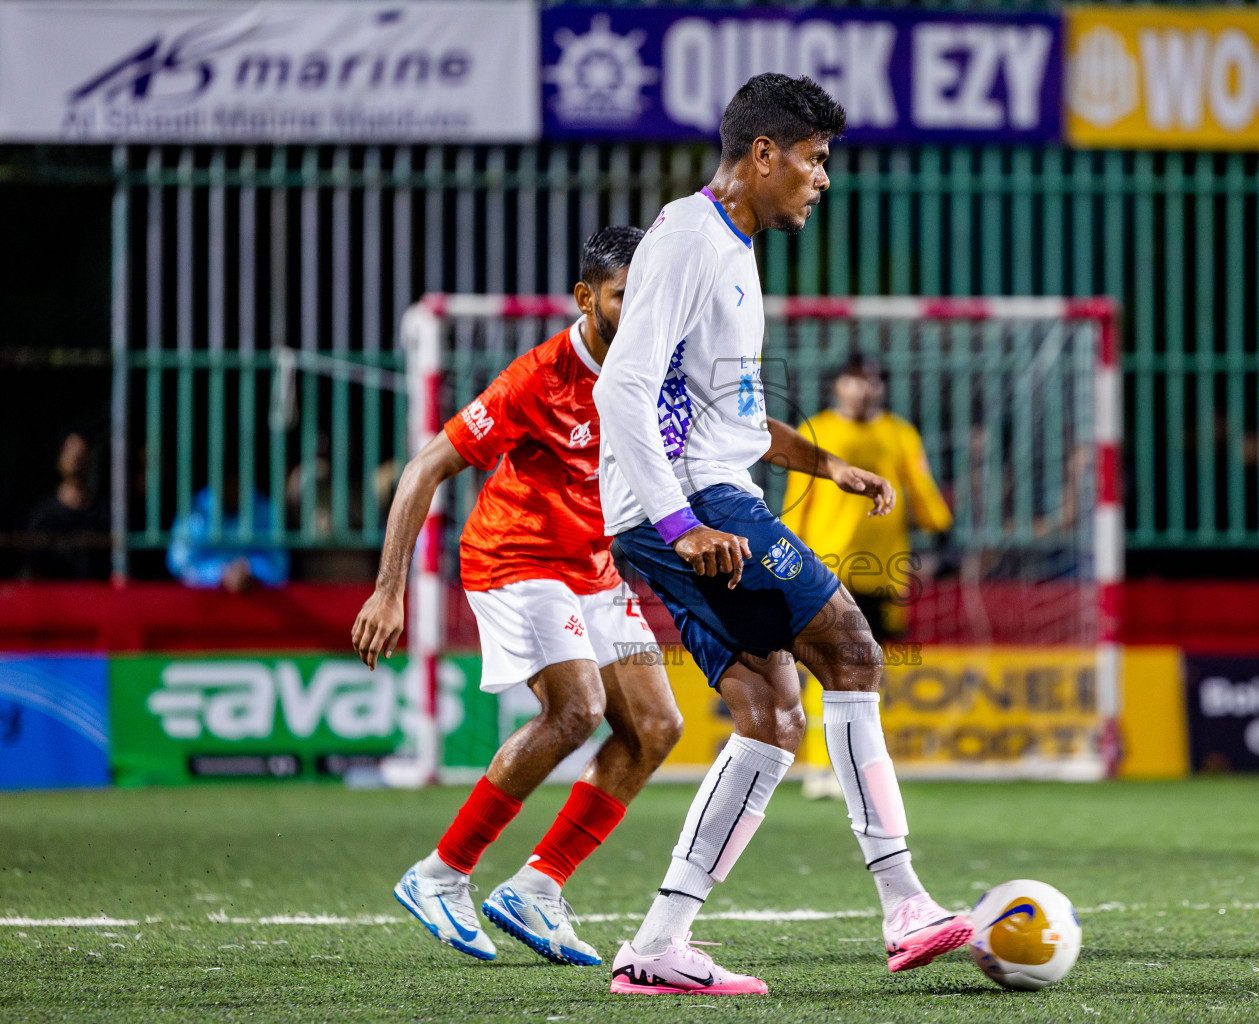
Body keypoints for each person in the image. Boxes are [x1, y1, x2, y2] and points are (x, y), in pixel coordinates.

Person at [592, 73, 972, 997]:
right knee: (854, 651)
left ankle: (658, 945)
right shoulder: (689, 240)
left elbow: (730, 415)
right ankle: (905, 903)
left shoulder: (729, 247)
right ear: (763, 154)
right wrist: (681, 524)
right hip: (694, 507)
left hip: (687, 503)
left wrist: (825, 464)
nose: (823, 177)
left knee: (772, 717)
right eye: (815, 157)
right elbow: (620, 388)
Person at [350, 226, 683, 966]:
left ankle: (538, 886)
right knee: (577, 710)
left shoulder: (658, 367)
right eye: (626, 295)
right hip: (515, 557)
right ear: (586, 297)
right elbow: (425, 467)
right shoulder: (537, 378)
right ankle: (441, 874)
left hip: (593, 567)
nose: (643, 310)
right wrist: (389, 590)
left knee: (656, 727)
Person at [781, 355, 952, 800]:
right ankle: (821, 768)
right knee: (828, 667)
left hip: (883, 571)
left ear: (881, 388)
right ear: (838, 385)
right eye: (854, 381)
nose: (862, 390)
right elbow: (798, 499)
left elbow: (921, 489)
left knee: (867, 672)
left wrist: (940, 526)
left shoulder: (900, 433)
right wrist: (786, 557)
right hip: (825, 567)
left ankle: (855, 766)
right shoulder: (817, 430)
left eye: (871, 382)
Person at [165, 472, 288, 591]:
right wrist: (220, 573)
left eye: (238, 481)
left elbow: (279, 566)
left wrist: (252, 568)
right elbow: (179, 564)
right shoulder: (196, 509)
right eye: (228, 482)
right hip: (202, 599)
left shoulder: (265, 509)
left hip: (258, 598)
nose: (233, 488)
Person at [24, 431, 109, 579]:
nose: (76, 458)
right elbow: (33, 566)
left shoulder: (104, 512)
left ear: (90, 459)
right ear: (59, 459)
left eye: (81, 453)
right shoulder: (44, 515)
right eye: (70, 451)